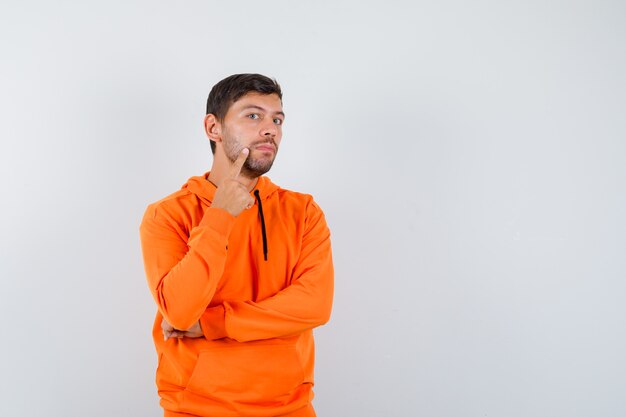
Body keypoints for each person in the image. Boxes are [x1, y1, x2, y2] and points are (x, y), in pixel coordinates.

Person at [139, 73, 334, 417]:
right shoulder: (167, 214)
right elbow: (181, 312)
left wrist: (212, 324)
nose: (271, 129)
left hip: (290, 407)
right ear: (213, 128)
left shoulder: (302, 211)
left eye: (277, 119)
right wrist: (220, 215)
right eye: (253, 115)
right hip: (198, 408)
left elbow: (314, 305)